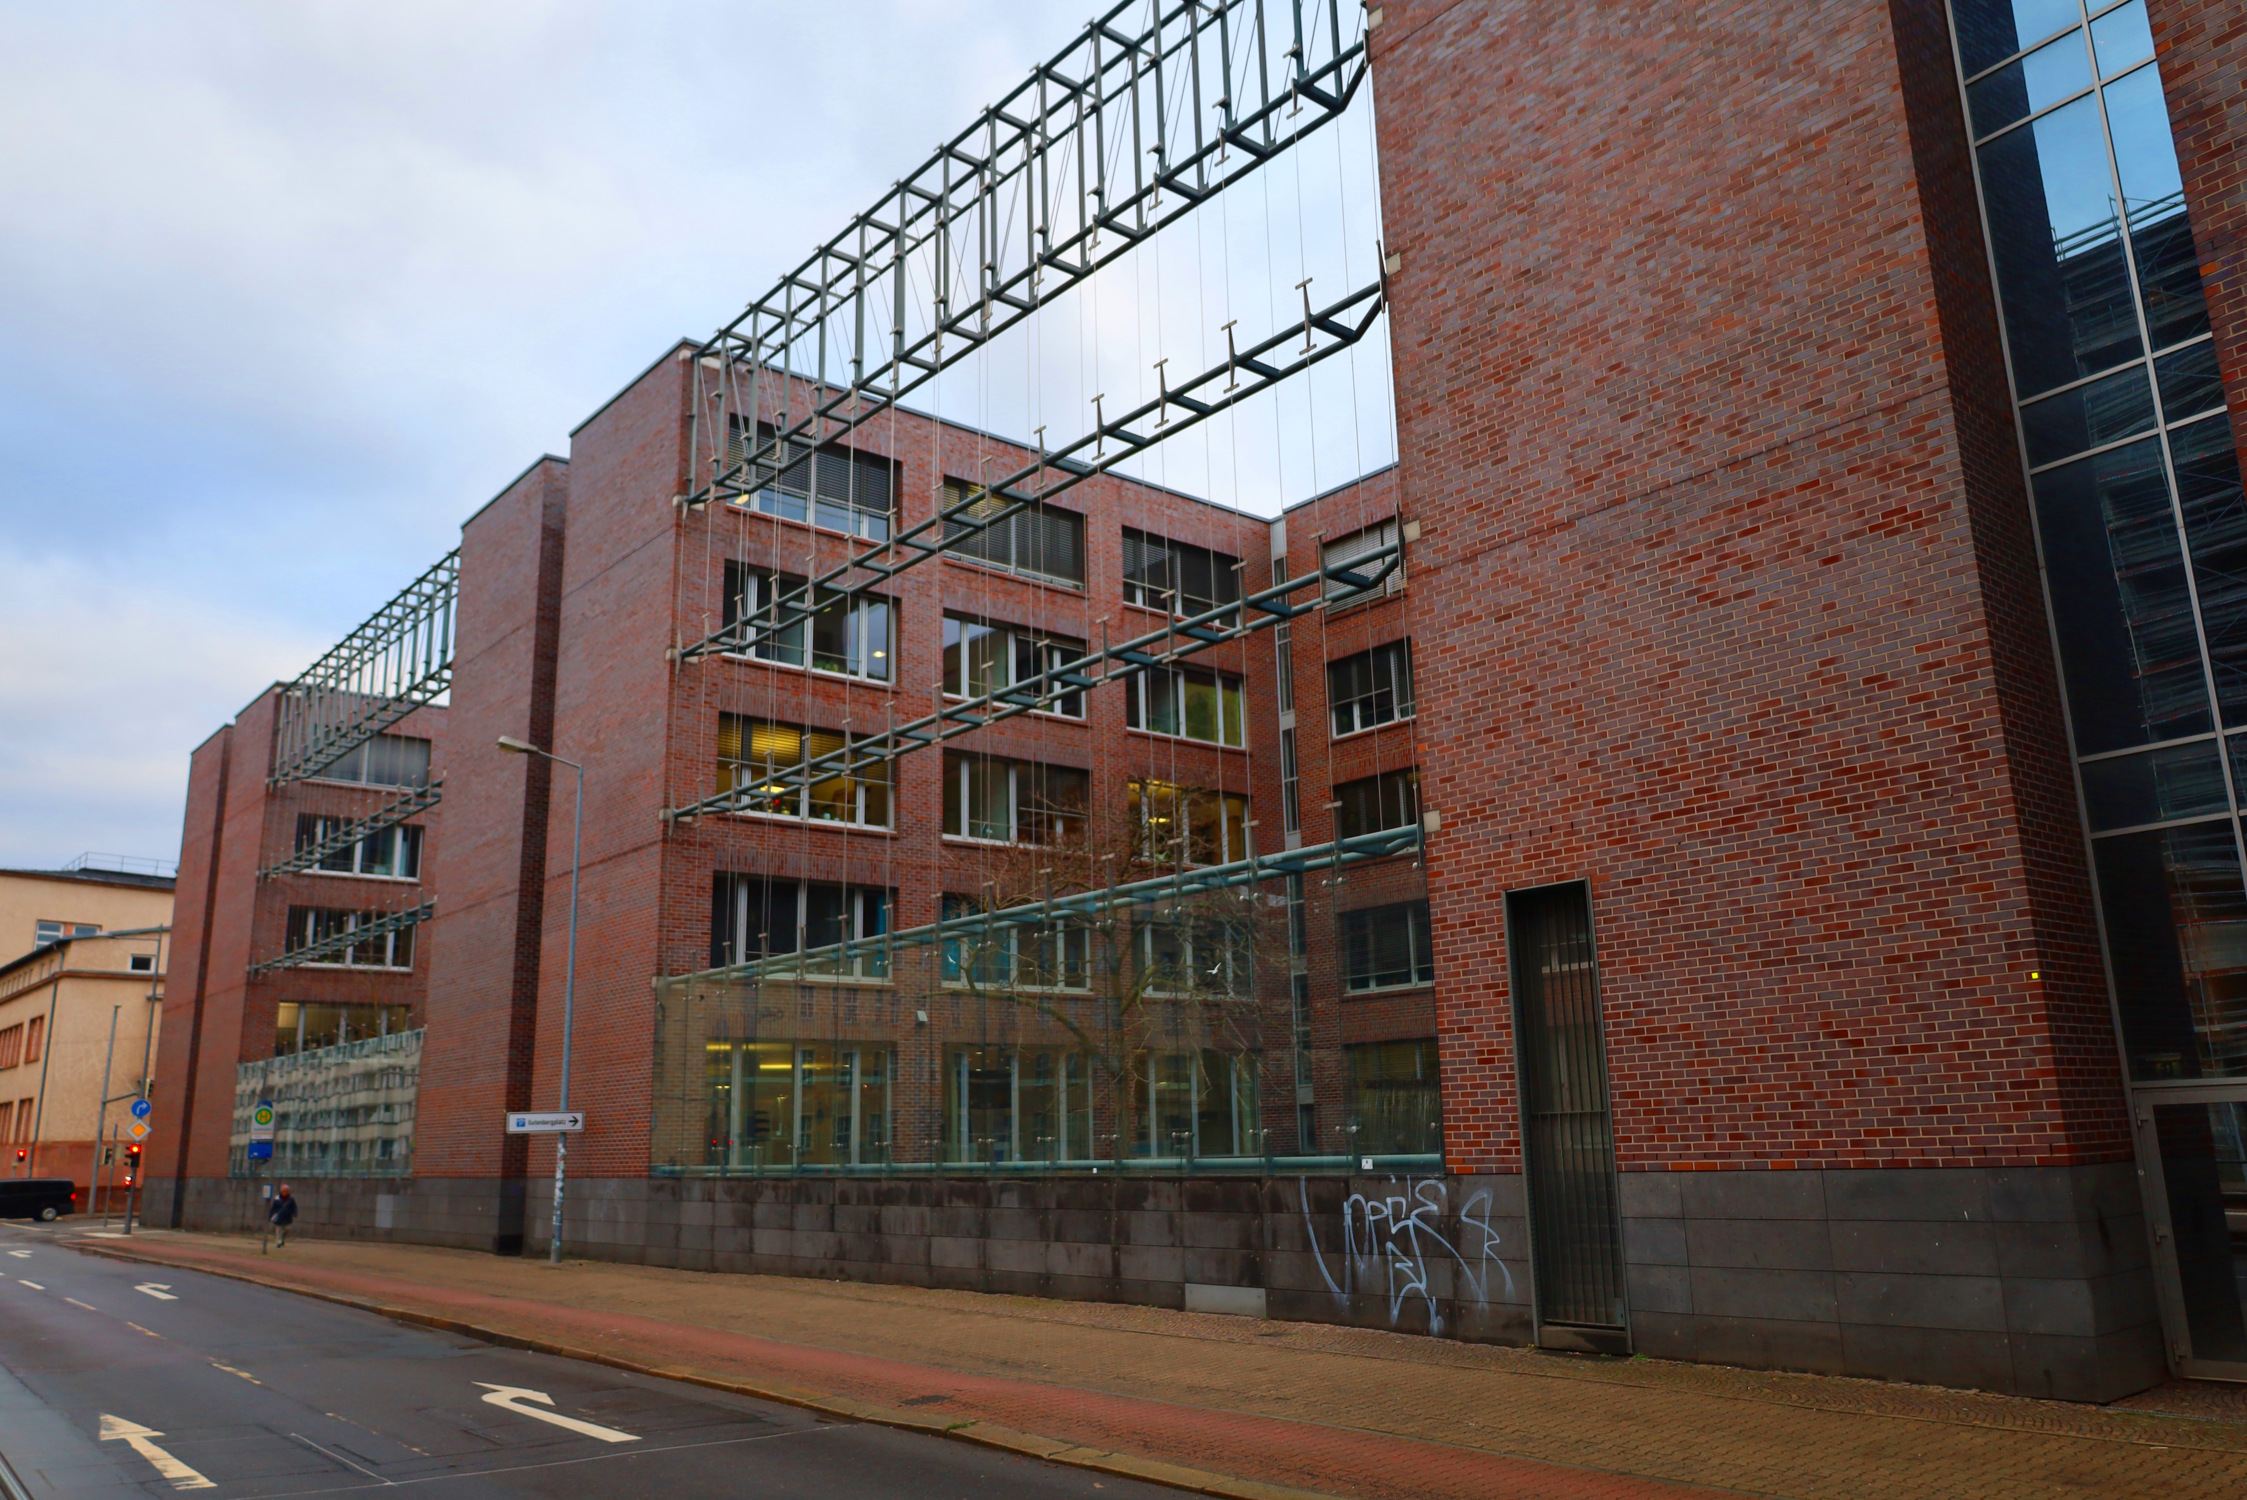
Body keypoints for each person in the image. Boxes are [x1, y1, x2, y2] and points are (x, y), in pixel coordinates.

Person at [268, 1183, 298, 1248]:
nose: (285, 1192)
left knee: (287, 1230)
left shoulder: (291, 1199)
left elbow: (294, 1207)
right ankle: (279, 1242)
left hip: (287, 1218)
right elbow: (273, 1208)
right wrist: (270, 1215)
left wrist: (295, 1213)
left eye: (286, 1191)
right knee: (278, 1231)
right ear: (281, 1191)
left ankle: (282, 1240)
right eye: (283, 1191)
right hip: (279, 1218)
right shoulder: (277, 1199)